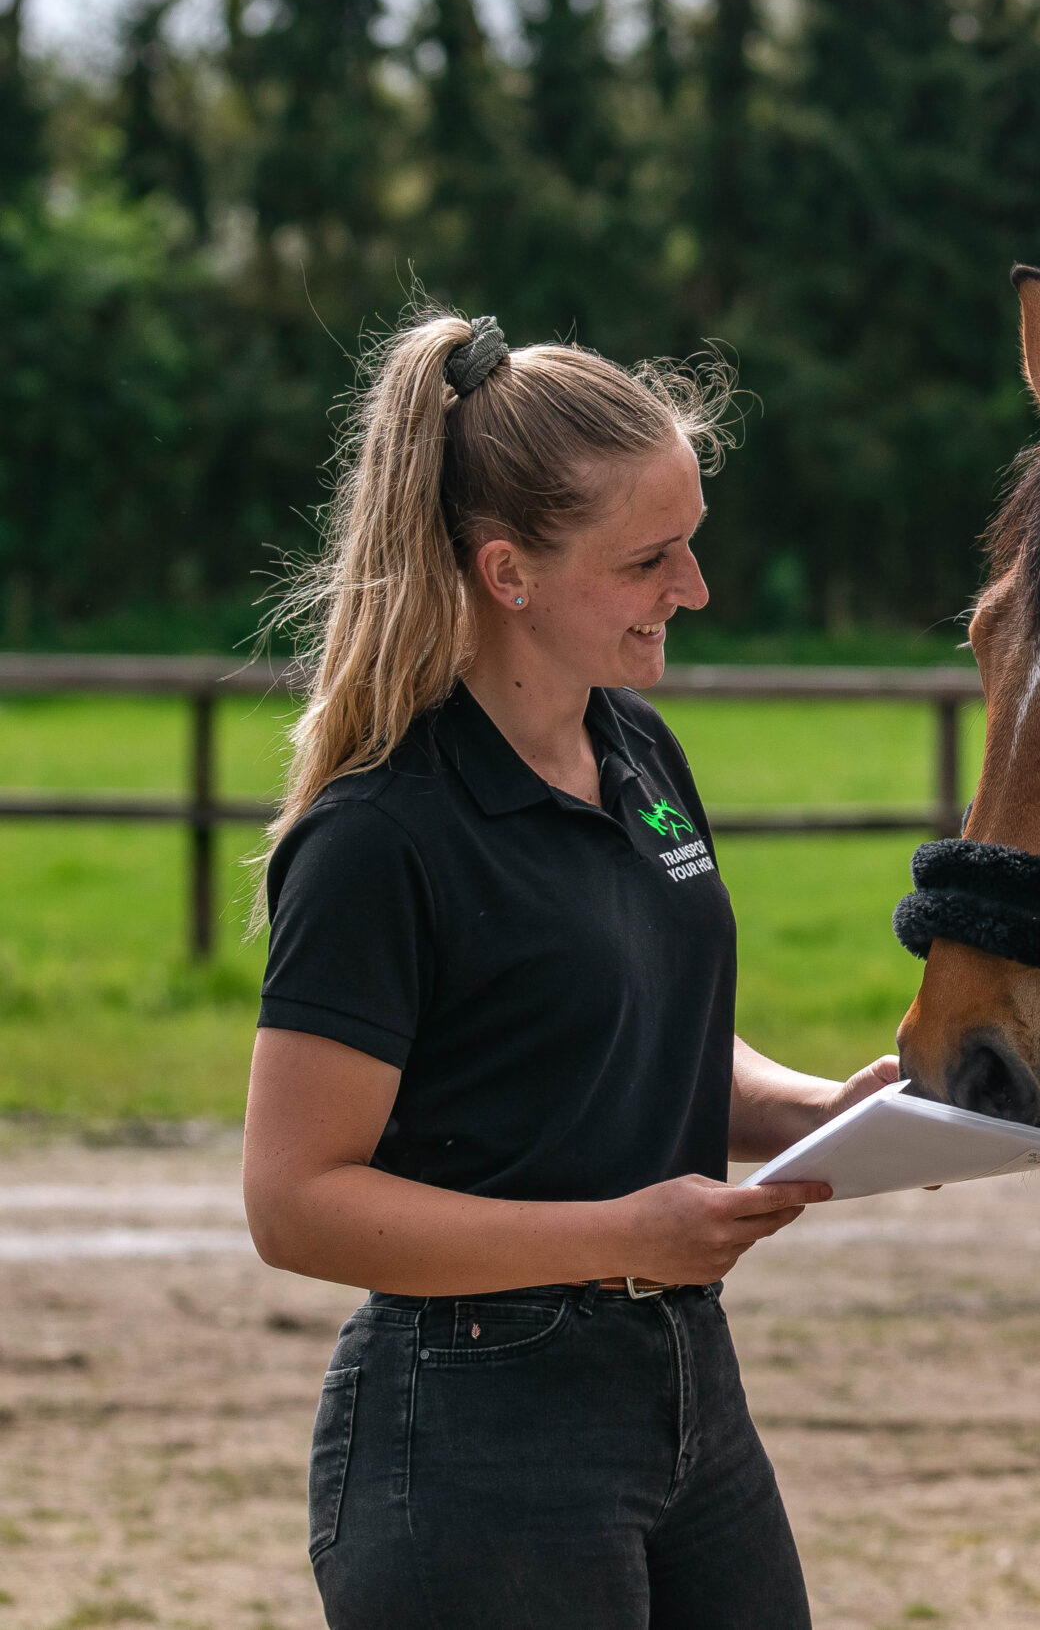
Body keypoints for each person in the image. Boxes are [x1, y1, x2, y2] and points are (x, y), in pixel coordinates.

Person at [243, 312, 897, 1628]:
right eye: (650, 558)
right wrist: (621, 1238)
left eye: (690, 539)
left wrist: (821, 1113)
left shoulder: (640, 752)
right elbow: (294, 1202)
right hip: (477, 1421)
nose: (696, 587)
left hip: (682, 1387)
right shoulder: (380, 837)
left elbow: (624, 1035)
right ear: (508, 572)